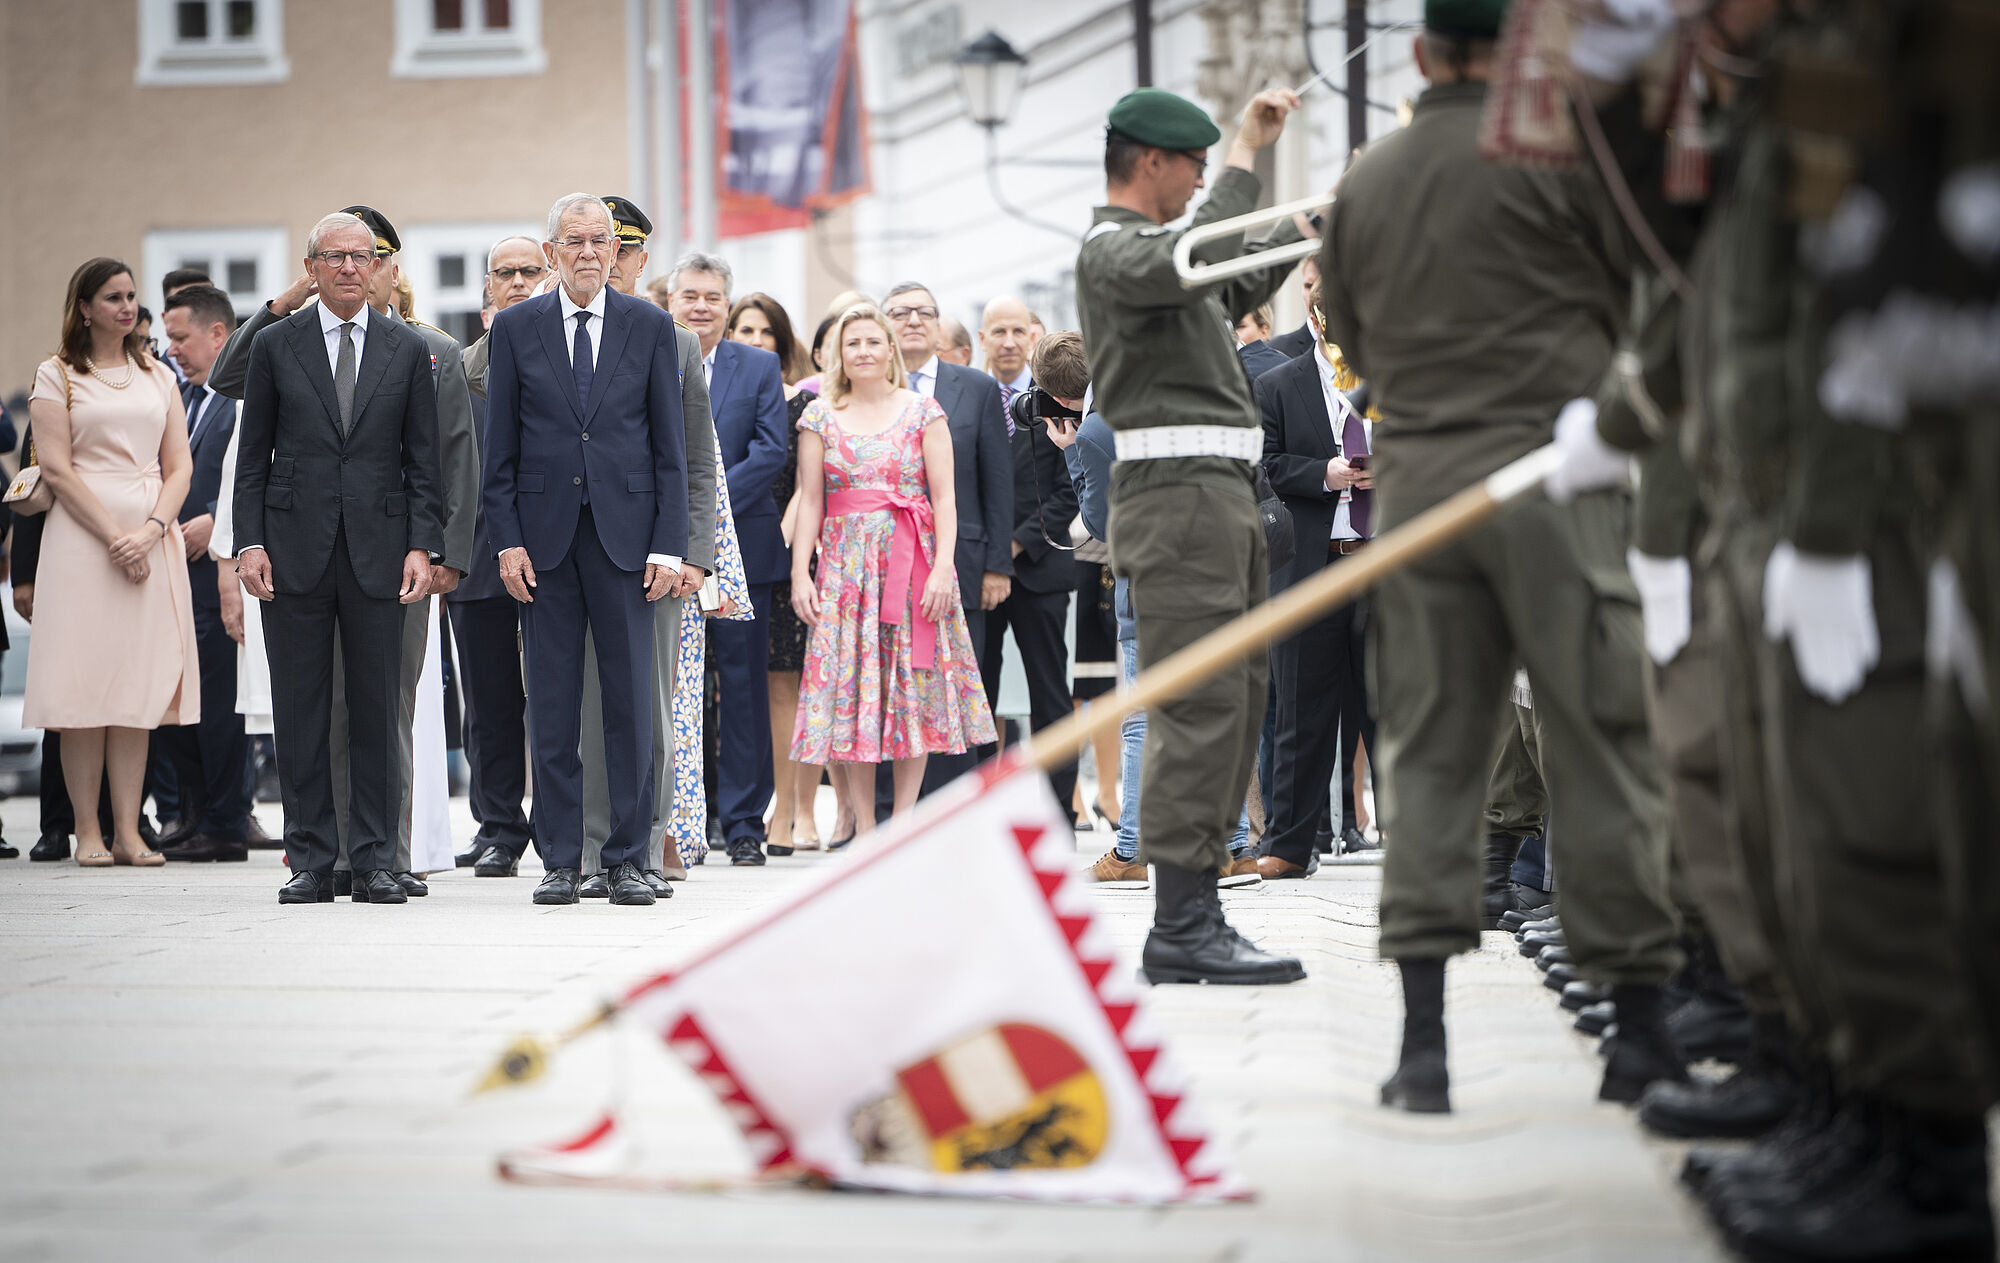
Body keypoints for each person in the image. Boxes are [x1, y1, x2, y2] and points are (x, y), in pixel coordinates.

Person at [1317, 0, 1683, 1110]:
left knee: (1431, 754)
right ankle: (1637, 1036)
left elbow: (1351, 338)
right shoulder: (1569, 153)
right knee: (1601, 741)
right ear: (1521, 49)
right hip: (1557, 476)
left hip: (1424, 488)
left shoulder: (1369, 181)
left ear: (1421, 53)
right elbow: (1646, 295)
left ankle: (1423, 1048)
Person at [1073, 87, 1312, 985]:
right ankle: (1180, 921)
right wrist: (1250, 146)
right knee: (1198, 705)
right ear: (1151, 163)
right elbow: (1202, 251)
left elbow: (1238, 272)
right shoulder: (1116, 251)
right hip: (1177, 502)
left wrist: (1317, 222)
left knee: (1234, 701)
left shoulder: (1167, 262)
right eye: (1196, 166)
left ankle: (1198, 909)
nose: (1201, 180)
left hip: (1218, 496)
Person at [481, 193, 695, 907]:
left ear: (615, 251)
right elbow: (499, 450)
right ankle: (561, 861)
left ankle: (628, 859)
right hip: (542, 545)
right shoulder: (516, 328)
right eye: (573, 241)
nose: (587, 253)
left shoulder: (649, 325)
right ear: (552, 252)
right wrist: (507, 540)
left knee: (630, 704)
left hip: (627, 543)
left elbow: (670, 449)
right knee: (552, 704)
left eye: (599, 240)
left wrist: (669, 546)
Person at [234, 213, 443, 905]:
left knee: (378, 710)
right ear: (312, 268)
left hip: (381, 552)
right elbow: (252, 457)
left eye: (362, 256)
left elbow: (423, 461)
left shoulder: (407, 347)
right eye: (335, 256)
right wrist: (250, 543)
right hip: (293, 550)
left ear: (378, 266)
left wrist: (422, 545)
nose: (350, 267)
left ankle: (377, 860)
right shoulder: (275, 344)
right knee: (301, 713)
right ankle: (312, 860)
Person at [1041, 333, 1261, 889]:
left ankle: (1131, 851)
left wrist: (1070, 453)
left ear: (1060, 398)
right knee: (1214, 707)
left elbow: (1100, 523)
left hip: (1154, 588)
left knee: (1141, 717)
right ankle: (1236, 846)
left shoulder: (1094, 431)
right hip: (1217, 574)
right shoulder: (1167, 400)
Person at [788, 305, 995, 829]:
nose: (863, 351)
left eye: (872, 341)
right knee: (852, 693)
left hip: (913, 568)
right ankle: (864, 825)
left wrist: (944, 567)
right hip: (844, 576)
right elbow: (809, 500)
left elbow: (944, 498)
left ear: (890, 351)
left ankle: (903, 824)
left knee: (911, 691)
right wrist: (800, 574)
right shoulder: (818, 415)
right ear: (838, 353)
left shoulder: (924, 411)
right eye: (852, 342)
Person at [25, 256, 202, 868]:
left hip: (152, 537)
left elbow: (180, 466)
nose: (127, 307)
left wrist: (151, 531)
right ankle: (87, 832)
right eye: (112, 298)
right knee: (83, 687)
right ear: (84, 308)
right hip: (80, 543)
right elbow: (55, 469)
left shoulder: (157, 374)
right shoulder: (56, 374)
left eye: (130, 296)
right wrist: (113, 538)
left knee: (135, 686)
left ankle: (128, 830)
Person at [575, 196, 720, 898]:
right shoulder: (547, 327)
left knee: (650, 705)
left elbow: (694, 458)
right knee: (582, 705)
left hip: (652, 553)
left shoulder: (672, 338)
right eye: (590, 246)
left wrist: (692, 550)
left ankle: (647, 841)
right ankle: (589, 848)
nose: (606, 261)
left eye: (620, 249)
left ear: (635, 259)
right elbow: (475, 375)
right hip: (572, 548)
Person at [662, 252, 788, 866]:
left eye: (713, 297)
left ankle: (742, 823)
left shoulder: (758, 366)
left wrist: (705, 505)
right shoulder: (651, 355)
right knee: (677, 687)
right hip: (668, 555)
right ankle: (689, 816)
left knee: (741, 686)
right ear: (671, 301)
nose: (701, 306)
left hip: (741, 553)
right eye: (690, 295)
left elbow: (770, 451)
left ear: (728, 305)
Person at [1254, 288, 1377, 880]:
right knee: (1300, 711)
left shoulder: (1396, 378)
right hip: (1310, 565)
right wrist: (1322, 474)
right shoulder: (1278, 384)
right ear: (1316, 319)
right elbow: (1262, 465)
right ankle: (1289, 845)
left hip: (1382, 561)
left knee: (1395, 708)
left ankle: (1418, 845)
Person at [881, 281, 1011, 795]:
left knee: (954, 689)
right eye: (900, 312)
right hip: (885, 566)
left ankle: (953, 805)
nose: (913, 320)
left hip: (963, 566)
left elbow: (997, 480)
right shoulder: (868, 388)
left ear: (938, 325)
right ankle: (894, 810)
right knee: (895, 690)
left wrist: (997, 564)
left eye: (924, 312)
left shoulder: (975, 387)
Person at [448, 234, 545, 877]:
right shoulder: (461, 369)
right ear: (488, 288)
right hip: (479, 557)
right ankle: (499, 827)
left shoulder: (572, 353)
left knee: (557, 698)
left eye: (529, 270)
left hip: (556, 555)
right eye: (504, 273)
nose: (517, 282)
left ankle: (562, 823)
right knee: (487, 702)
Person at [153, 283, 253, 862]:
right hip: (174, 577)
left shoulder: (241, 398)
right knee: (178, 703)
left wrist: (216, 521)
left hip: (219, 577)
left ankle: (226, 821)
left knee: (220, 707)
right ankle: (192, 813)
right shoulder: (180, 398)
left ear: (218, 334)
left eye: (180, 338)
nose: (172, 350)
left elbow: (252, 470)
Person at [725, 291, 822, 854]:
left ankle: (784, 811)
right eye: (746, 329)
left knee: (778, 686)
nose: (756, 340)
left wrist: (785, 544)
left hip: (778, 551)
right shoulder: (708, 382)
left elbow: (803, 482)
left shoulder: (800, 402)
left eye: (766, 332)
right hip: (723, 543)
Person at [974, 297, 1078, 819]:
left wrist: (1014, 545)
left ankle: (1059, 812)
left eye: (1019, 330)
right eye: (999, 331)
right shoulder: (970, 396)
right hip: (978, 574)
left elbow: (1068, 490)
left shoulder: (1058, 398)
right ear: (983, 339)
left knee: (1051, 695)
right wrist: (990, 554)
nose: (1009, 341)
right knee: (978, 695)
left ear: (1033, 336)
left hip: (1041, 569)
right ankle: (975, 812)